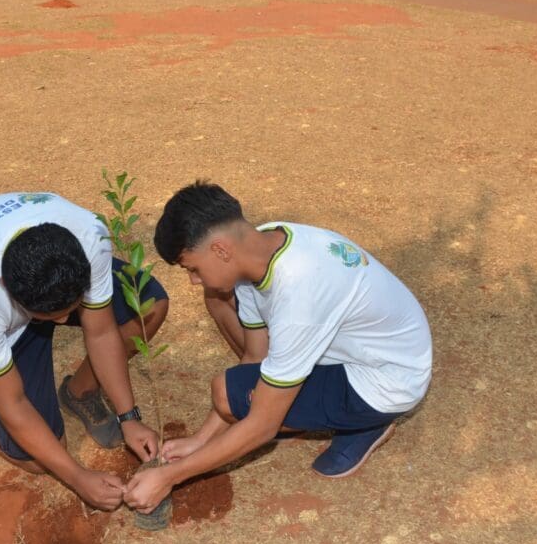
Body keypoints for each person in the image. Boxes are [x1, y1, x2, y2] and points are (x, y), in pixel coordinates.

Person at [124, 182, 431, 513]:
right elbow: (256, 357)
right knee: (234, 393)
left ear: (221, 250)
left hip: (387, 380)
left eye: (193, 269)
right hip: (368, 351)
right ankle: (318, 410)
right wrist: (201, 441)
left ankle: (366, 424)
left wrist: (171, 476)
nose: (194, 280)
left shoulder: (299, 293)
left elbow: (263, 426)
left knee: (237, 398)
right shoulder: (263, 244)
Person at [0, 192, 168, 511]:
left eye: (71, 309)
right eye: (53, 317)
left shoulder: (90, 235)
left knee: (148, 308)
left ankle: (80, 392)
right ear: (8, 288)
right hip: (8, 321)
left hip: (45, 276)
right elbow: (13, 403)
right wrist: (77, 476)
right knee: (38, 459)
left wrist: (128, 417)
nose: (65, 321)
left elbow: (101, 331)